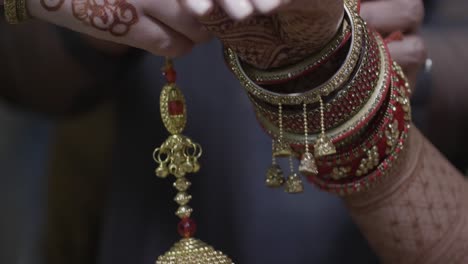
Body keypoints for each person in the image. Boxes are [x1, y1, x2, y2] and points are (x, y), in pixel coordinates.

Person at [2, 0, 467, 263]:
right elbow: (21, 75)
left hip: (384, 194)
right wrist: (105, 22)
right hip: (163, 195)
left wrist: (379, 72)